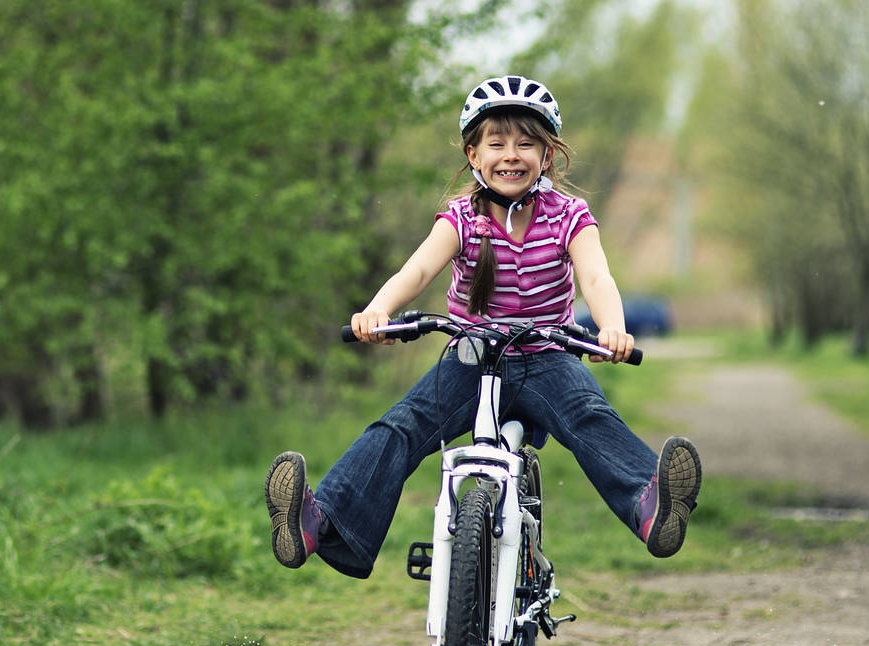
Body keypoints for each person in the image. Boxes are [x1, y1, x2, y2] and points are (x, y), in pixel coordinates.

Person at [265, 74, 701, 578]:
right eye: (497, 143)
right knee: (401, 426)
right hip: (470, 358)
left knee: (588, 415)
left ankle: (652, 506)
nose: (511, 155)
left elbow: (596, 277)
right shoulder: (461, 219)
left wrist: (613, 328)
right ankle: (317, 522)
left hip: (547, 358)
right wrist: (376, 311)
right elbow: (418, 271)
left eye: (526, 143)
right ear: (474, 155)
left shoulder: (568, 216)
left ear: (548, 155)